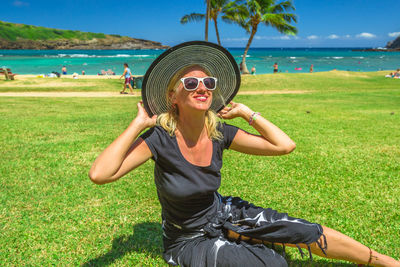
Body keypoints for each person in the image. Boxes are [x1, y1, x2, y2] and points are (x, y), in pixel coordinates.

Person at [89, 41, 399, 267]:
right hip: (187, 239)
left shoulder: (219, 131)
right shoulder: (159, 138)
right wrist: (138, 124)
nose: (202, 87)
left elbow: (284, 146)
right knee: (273, 264)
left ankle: (378, 261)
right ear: (173, 95)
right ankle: (246, 239)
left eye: (208, 83)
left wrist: (248, 113)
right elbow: (100, 174)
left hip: (223, 211)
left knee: (302, 230)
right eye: (191, 82)